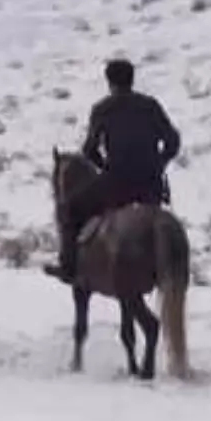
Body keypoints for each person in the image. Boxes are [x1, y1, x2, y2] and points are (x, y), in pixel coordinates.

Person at [44, 58, 181, 285]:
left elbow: (89, 149)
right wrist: (159, 164)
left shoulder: (102, 109)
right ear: (132, 79)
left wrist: (105, 167)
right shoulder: (151, 105)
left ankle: (69, 267)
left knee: (71, 210)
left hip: (117, 185)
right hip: (151, 186)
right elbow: (173, 141)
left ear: (109, 82)